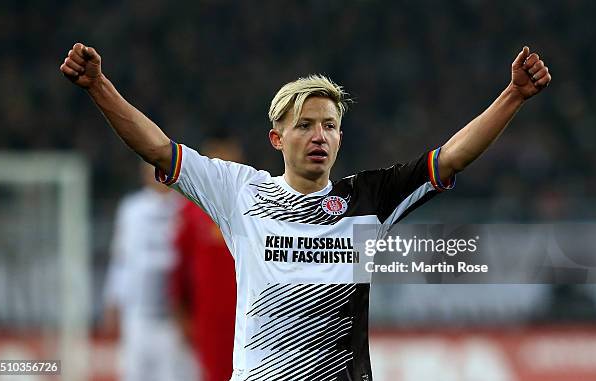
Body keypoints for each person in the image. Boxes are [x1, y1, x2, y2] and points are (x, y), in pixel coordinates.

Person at [62, 42, 551, 380]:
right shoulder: (239, 192)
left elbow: (451, 157)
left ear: (341, 137)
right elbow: (158, 149)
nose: (319, 135)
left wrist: (513, 95)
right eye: (305, 125)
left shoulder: (369, 197)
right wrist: (98, 86)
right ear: (277, 138)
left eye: (330, 125)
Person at [102, 162, 197, 381]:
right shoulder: (131, 209)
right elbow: (120, 258)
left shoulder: (186, 207)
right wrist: (112, 299)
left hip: (174, 318)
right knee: (135, 373)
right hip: (137, 314)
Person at [171, 136, 243, 381]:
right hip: (209, 318)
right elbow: (179, 269)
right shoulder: (190, 211)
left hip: (249, 313)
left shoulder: (254, 205)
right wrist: (182, 315)